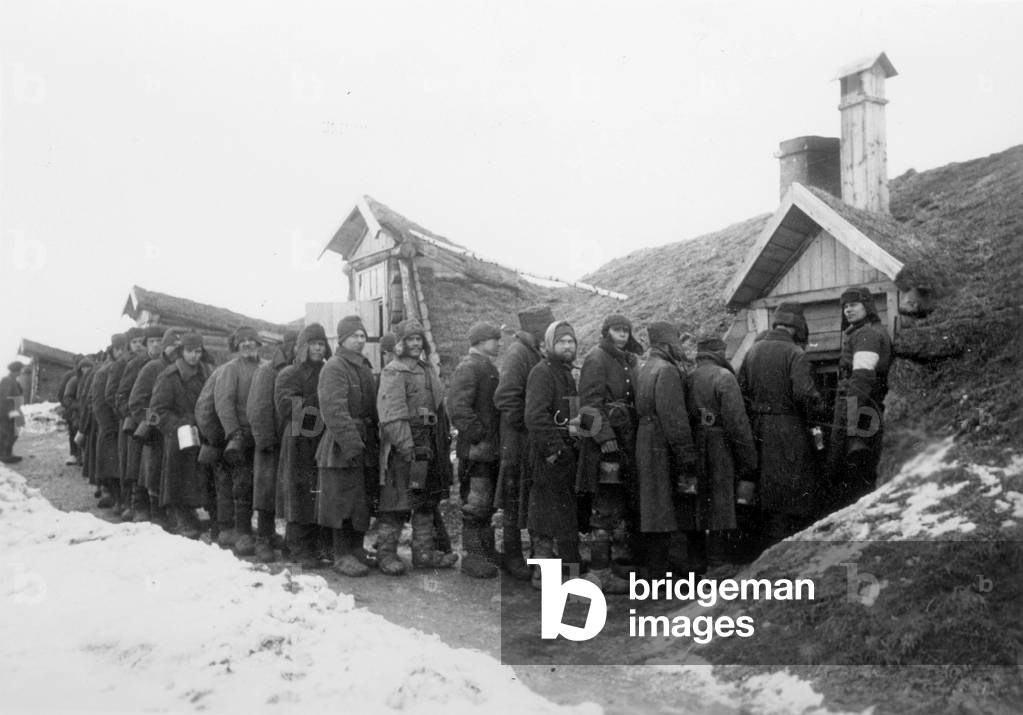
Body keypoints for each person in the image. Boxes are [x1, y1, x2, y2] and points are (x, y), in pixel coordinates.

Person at [738, 302, 823, 545]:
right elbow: (804, 395)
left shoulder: (752, 351)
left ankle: (766, 544)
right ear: (797, 328)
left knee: (765, 484)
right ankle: (785, 545)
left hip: (757, 426)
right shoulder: (795, 353)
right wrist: (819, 412)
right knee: (790, 485)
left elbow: (740, 389)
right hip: (788, 428)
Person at [377, 318, 457, 574]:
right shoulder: (394, 371)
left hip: (429, 446)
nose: (415, 343)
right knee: (397, 505)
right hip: (405, 449)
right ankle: (386, 555)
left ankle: (423, 554)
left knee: (425, 504)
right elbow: (391, 414)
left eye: (418, 339)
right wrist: (407, 447)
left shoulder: (427, 370)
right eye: (410, 339)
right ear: (400, 343)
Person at [575, 314, 643, 593]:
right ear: (606, 332)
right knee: (603, 507)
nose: (623, 335)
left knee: (616, 503)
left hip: (622, 442)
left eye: (626, 330)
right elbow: (589, 406)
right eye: (617, 330)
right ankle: (599, 572)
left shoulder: (623, 359)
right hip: (604, 447)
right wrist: (605, 438)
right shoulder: (597, 358)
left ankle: (611, 564)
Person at [685, 337, 758, 572]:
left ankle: (698, 563)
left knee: (698, 502)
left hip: (694, 442)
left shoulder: (689, 378)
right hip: (719, 445)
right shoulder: (725, 377)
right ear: (720, 352)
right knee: (720, 502)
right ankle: (718, 564)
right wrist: (749, 458)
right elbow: (737, 422)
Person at [634, 322, 700, 579]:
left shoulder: (645, 368)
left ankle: (657, 569)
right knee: (664, 505)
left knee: (653, 504)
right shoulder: (668, 371)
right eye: (677, 342)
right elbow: (674, 417)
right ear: (666, 344)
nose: (681, 347)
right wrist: (686, 454)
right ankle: (661, 573)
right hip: (661, 442)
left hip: (645, 440)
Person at [315, 316, 379, 576]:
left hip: (364, 439)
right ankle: (341, 554)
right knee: (340, 500)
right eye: (355, 336)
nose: (360, 340)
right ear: (342, 339)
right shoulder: (335, 366)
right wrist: (352, 444)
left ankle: (357, 548)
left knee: (360, 500)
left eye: (363, 335)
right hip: (341, 444)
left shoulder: (363, 366)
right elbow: (333, 410)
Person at [493, 305, 553, 580]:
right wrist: (528, 423)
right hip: (517, 441)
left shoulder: (533, 352)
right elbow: (505, 397)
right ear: (535, 330)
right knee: (513, 500)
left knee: (525, 498)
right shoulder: (518, 353)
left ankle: (526, 557)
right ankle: (512, 556)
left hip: (527, 440)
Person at [524, 320, 581, 588]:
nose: (567, 346)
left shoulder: (566, 374)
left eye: (571, 341)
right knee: (545, 516)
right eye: (562, 342)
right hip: (550, 455)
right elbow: (535, 416)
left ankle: (571, 574)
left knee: (565, 516)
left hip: (566, 452)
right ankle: (543, 575)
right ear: (550, 345)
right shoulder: (542, 373)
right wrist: (554, 450)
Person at [826, 286, 892, 511]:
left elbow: (862, 379)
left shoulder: (866, 334)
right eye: (845, 306)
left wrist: (850, 421)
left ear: (867, 306)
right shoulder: (864, 331)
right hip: (863, 407)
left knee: (852, 465)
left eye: (853, 304)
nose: (848, 310)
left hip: (862, 411)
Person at [447, 321, 503, 579]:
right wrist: (479, 434)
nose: (498, 343)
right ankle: (473, 557)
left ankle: (485, 552)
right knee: (476, 503)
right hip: (476, 450)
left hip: (488, 450)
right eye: (494, 339)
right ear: (481, 341)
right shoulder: (469, 368)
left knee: (486, 504)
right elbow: (458, 408)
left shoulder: (485, 366)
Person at [275, 323, 331, 569]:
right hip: (298, 438)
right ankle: (298, 547)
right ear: (303, 347)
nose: (318, 349)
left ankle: (311, 545)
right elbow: (286, 407)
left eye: (321, 344)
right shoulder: (289, 373)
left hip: (321, 438)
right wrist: (317, 401)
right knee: (298, 493)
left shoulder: (328, 372)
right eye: (313, 344)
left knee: (317, 492)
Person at [149, 331, 212, 538]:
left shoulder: (206, 374)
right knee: (177, 478)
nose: (194, 356)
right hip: (178, 436)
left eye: (198, 351)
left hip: (200, 432)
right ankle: (179, 517)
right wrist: (178, 426)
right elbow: (155, 412)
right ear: (181, 352)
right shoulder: (169, 376)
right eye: (190, 351)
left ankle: (192, 513)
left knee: (197, 475)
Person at [243, 328, 298, 561]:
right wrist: (265, 440)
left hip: (290, 442)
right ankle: (263, 539)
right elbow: (257, 408)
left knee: (284, 491)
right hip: (271, 442)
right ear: (287, 347)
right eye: (296, 345)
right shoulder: (267, 371)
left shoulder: (299, 370)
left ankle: (276, 535)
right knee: (266, 491)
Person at [214, 326, 262, 556]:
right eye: (243, 341)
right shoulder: (231, 370)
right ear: (237, 346)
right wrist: (234, 433)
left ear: (259, 343)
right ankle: (241, 532)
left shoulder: (266, 367)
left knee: (261, 486)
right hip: (241, 436)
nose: (248, 344)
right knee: (241, 484)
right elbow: (224, 403)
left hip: (262, 436)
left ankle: (262, 532)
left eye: (252, 340)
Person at [129, 328, 182, 529]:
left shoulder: (184, 368)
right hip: (156, 431)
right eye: (171, 346)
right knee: (153, 471)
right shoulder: (153, 367)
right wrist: (156, 420)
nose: (175, 351)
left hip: (177, 429)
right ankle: (154, 513)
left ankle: (173, 511)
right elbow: (136, 401)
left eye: (179, 347)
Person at [116, 326, 165, 521]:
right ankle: (138, 506)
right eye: (152, 341)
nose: (156, 344)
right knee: (137, 466)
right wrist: (142, 419)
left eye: (159, 340)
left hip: (159, 420)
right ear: (146, 344)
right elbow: (123, 396)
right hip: (139, 422)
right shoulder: (137, 364)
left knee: (155, 467)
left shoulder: (167, 364)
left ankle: (161, 509)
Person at [108, 327, 146, 520]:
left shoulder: (147, 361)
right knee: (128, 464)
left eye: (141, 341)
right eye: (135, 342)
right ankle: (125, 502)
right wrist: (126, 415)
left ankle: (136, 503)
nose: (139, 345)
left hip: (142, 418)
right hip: (129, 421)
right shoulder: (123, 363)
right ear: (128, 345)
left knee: (139, 462)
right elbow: (113, 394)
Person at [91, 334, 128, 513]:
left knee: (122, 465)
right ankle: (116, 499)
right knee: (111, 465)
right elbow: (98, 403)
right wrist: (108, 427)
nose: (121, 352)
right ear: (112, 350)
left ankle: (120, 499)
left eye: (124, 348)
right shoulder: (103, 372)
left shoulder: (127, 367)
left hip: (122, 424)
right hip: (110, 426)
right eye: (118, 349)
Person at [0, 361, 26, 463]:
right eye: (21, 370)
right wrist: (11, 413)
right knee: (8, 432)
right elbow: (5, 398)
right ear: (16, 370)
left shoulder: (14, 380)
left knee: (14, 432)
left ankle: (7, 453)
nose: (21, 372)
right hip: (7, 411)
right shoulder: (7, 380)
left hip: (14, 409)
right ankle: (5, 454)